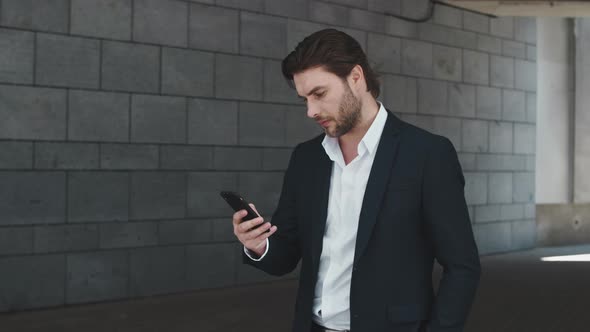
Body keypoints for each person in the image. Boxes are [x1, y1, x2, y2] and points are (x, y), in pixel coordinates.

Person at [231, 28, 481, 332]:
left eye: (319, 94)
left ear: (356, 77)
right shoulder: (306, 159)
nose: (311, 111)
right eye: (304, 99)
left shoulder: (427, 155)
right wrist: (258, 244)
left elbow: (462, 266)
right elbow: (286, 254)